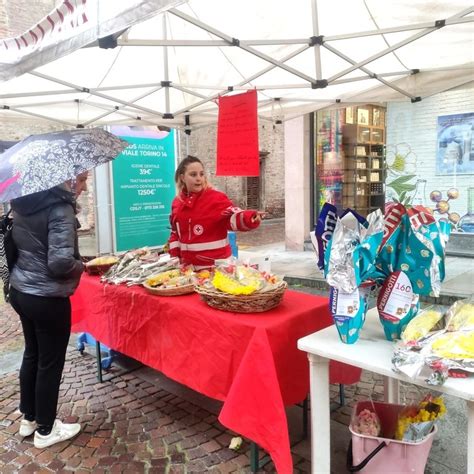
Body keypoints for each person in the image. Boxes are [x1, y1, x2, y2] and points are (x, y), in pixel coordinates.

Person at [9, 171, 88, 449]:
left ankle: (29, 418)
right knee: (49, 362)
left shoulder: (23, 201)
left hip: (22, 291)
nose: (84, 186)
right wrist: (83, 265)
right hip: (46, 297)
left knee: (32, 354)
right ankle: (46, 429)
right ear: (67, 178)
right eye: (81, 179)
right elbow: (60, 263)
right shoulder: (59, 207)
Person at [168, 156, 264, 269]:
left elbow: (232, 218)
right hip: (188, 271)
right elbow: (175, 233)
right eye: (193, 175)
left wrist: (249, 218)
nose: (199, 178)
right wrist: (174, 258)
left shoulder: (216, 198)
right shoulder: (177, 203)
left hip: (217, 269)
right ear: (182, 177)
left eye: (201, 174)